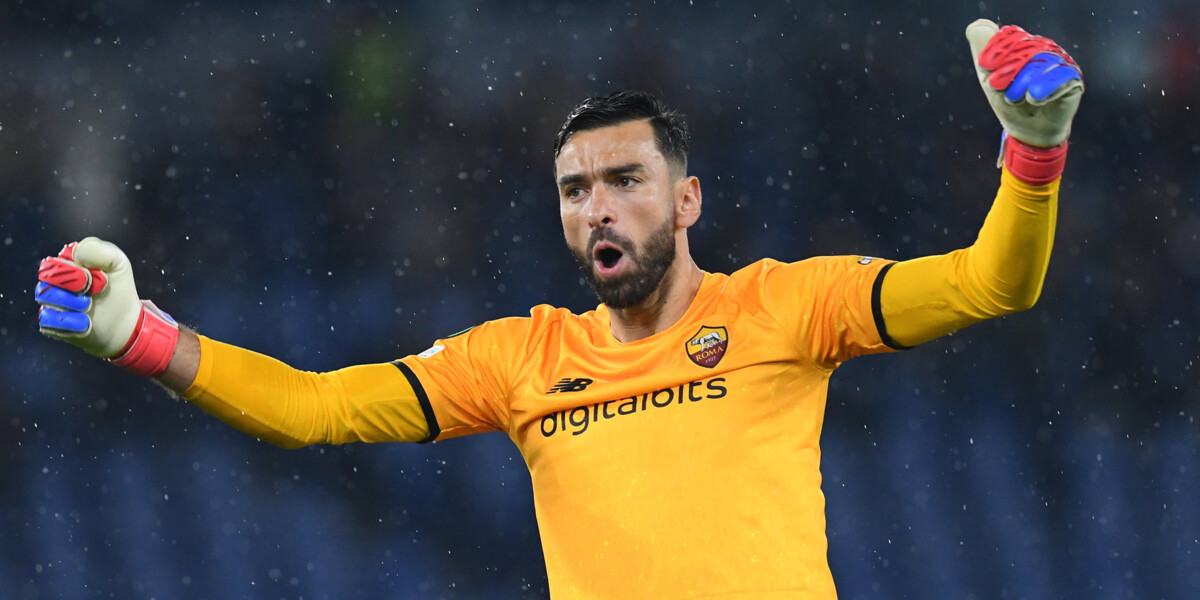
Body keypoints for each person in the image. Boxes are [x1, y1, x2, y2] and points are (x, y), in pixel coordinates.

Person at [35, 20, 1082, 599]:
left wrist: (1033, 154)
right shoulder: (521, 358)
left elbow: (992, 282)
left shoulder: (787, 305)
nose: (597, 208)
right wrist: (144, 338)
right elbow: (314, 409)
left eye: (625, 180)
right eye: (575, 190)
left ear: (687, 200)